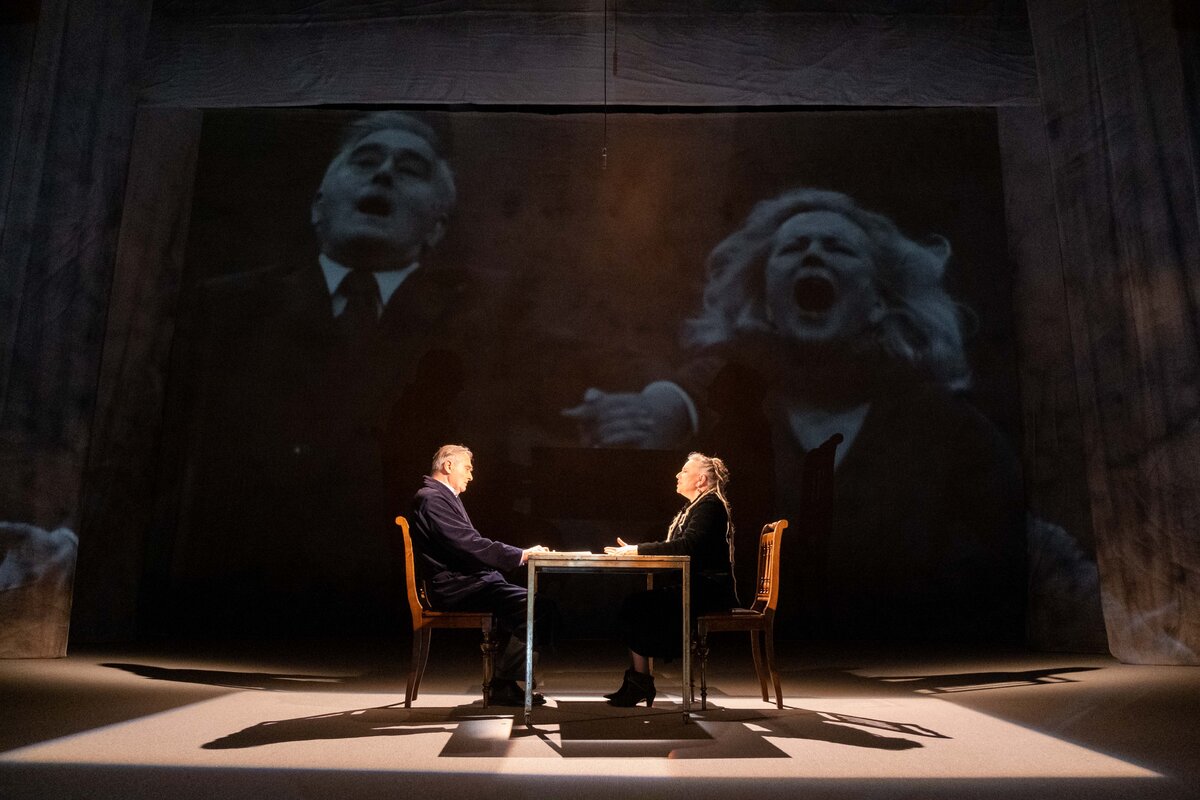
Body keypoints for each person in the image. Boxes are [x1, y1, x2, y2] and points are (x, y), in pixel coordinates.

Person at [569, 188, 1026, 642]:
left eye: (838, 247)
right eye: (794, 247)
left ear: (878, 301)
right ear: (768, 301)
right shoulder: (732, 409)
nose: (813, 254)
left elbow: (993, 560)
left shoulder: (951, 431)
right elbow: (692, 391)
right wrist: (663, 405)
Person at [173, 111, 505, 634]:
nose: (384, 173)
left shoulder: (489, 321)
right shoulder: (219, 309)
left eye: (410, 168)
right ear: (318, 204)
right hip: (240, 580)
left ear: (438, 225)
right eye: (366, 160)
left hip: (374, 569)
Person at [408, 444, 550, 706]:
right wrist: (521, 555)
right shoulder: (432, 499)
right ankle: (504, 683)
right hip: (457, 588)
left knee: (534, 606)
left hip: (468, 583)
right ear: (448, 466)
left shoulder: (441, 497)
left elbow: (468, 544)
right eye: (468, 468)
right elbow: (469, 544)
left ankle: (505, 681)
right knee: (538, 607)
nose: (471, 476)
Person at [602, 452, 739, 707]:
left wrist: (637, 550)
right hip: (697, 585)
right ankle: (639, 679)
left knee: (636, 605)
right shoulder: (696, 507)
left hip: (709, 589)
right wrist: (637, 550)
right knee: (635, 604)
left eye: (685, 471)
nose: (678, 475)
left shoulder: (710, 506)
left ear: (701, 480)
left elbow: (687, 546)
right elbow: (677, 546)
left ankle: (640, 681)